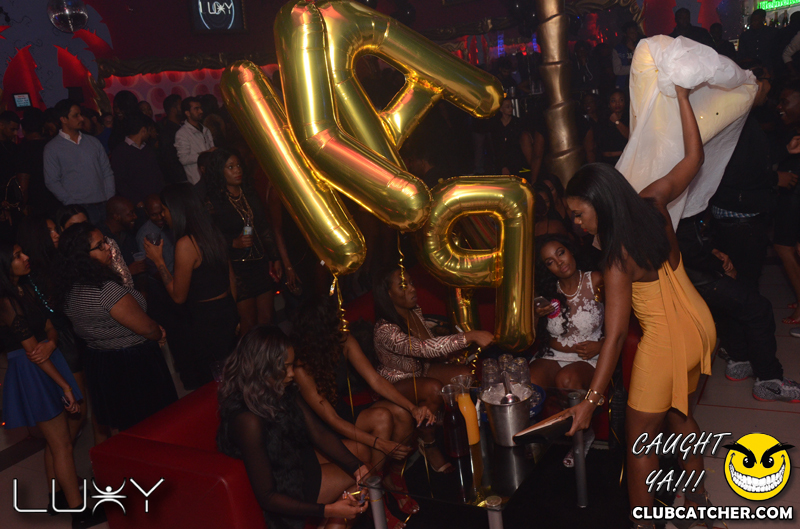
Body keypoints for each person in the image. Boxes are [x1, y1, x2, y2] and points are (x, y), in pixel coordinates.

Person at [563, 85, 716, 529]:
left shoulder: (616, 259)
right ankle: (697, 508)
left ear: (600, 203)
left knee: (639, 445)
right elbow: (694, 159)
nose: (577, 224)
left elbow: (614, 337)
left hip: (666, 344)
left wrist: (591, 401)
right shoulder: (653, 201)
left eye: (579, 214)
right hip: (699, 329)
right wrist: (683, 98)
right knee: (681, 418)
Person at [292, 297, 434, 520]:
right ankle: (378, 499)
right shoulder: (301, 367)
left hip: (343, 413)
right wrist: (381, 443)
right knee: (381, 424)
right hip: (322, 432)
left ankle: (389, 479)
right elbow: (331, 421)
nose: (344, 321)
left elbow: (375, 380)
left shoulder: (343, 340)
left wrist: (413, 407)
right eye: (337, 319)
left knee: (400, 415)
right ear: (322, 328)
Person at [217, 325, 371, 529]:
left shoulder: (279, 387)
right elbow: (267, 497)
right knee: (357, 485)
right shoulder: (247, 420)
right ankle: (333, 522)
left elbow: (318, 433)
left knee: (362, 460)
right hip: (284, 486)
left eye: (292, 365)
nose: (291, 373)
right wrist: (328, 510)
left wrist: (357, 467)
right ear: (263, 368)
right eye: (285, 367)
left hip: (295, 460)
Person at [0, 243, 104, 527]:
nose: (25, 257)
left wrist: (52, 343)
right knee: (62, 444)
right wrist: (65, 386)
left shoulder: (25, 289)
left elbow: (49, 326)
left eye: (23, 252)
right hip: (33, 371)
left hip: (48, 361)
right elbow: (32, 351)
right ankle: (79, 515)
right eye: (17, 256)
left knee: (57, 441)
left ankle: (57, 497)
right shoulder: (5, 302)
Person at [54, 222, 177, 436]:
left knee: (131, 431)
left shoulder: (69, 289)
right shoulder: (105, 289)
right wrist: (158, 332)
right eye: (100, 245)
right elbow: (147, 328)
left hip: (102, 362)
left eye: (106, 242)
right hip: (132, 365)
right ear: (82, 256)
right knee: (158, 426)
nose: (108, 247)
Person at [373, 267, 493, 472]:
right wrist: (470, 336)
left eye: (411, 283)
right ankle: (428, 442)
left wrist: (448, 356)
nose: (412, 289)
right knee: (434, 389)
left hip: (422, 371)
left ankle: (461, 429)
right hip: (396, 383)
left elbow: (429, 344)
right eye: (403, 286)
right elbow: (422, 348)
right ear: (388, 294)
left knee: (464, 376)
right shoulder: (385, 330)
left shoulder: (414, 311)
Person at [676, 214, 800, 402]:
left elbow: (688, 240)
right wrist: (720, 267)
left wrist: (712, 250)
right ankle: (769, 382)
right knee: (759, 309)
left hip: (690, 270)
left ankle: (739, 361)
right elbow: (686, 248)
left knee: (735, 304)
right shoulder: (666, 200)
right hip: (692, 276)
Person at [144, 183, 238, 390]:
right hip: (226, 309)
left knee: (218, 382)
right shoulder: (212, 232)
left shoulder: (186, 243)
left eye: (165, 210)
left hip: (206, 320)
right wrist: (234, 310)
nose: (163, 215)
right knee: (234, 373)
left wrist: (158, 261)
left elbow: (178, 297)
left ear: (177, 209)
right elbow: (231, 277)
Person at [531, 234, 603, 467]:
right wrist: (535, 316)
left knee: (567, 379)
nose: (559, 262)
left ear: (570, 250)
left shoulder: (596, 280)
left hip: (588, 357)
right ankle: (535, 442)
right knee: (529, 381)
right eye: (550, 261)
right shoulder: (546, 291)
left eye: (560, 253)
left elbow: (624, 321)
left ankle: (583, 435)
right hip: (553, 355)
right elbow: (532, 334)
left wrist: (602, 344)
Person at [205, 148, 281, 333]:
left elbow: (263, 227)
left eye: (238, 165)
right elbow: (209, 237)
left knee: (267, 320)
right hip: (237, 269)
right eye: (230, 167)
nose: (237, 170)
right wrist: (233, 242)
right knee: (248, 324)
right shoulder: (214, 202)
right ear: (220, 171)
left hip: (259, 263)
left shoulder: (249, 192)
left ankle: (269, 352)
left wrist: (275, 257)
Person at [44, 99, 115, 225]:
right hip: (79, 209)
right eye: (75, 115)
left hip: (103, 204)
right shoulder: (52, 148)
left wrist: (109, 198)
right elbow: (52, 181)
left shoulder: (93, 142)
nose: (81, 118)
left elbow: (107, 172)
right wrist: (71, 203)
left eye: (80, 114)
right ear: (63, 119)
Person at [110, 113, 165, 208]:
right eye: (149, 130)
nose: (150, 134)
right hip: (138, 205)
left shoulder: (147, 148)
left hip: (156, 200)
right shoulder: (120, 151)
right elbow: (120, 181)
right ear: (143, 130)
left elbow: (157, 174)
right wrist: (136, 201)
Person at [16, 108, 62, 216]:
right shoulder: (54, 145)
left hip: (36, 204)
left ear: (24, 131)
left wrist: (22, 206)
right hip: (58, 200)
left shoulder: (24, 150)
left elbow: (23, 185)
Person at [99, 197, 147, 277]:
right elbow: (99, 275)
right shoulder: (100, 237)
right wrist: (126, 271)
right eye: (130, 214)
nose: (135, 216)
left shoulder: (127, 233)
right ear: (116, 217)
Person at [175, 97, 215, 185]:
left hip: (212, 176)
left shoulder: (205, 129)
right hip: (197, 180)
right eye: (196, 109)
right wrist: (205, 154)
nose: (201, 111)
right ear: (187, 113)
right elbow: (183, 159)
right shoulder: (182, 133)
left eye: (200, 108)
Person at [489, 98, 526, 175]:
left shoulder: (517, 123)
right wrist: (503, 166)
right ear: (501, 109)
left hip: (516, 162)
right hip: (500, 162)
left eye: (511, 106)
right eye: (507, 107)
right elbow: (496, 147)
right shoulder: (496, 125)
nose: (511, 109)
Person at [157, 94, 187, 184]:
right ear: (173, 109)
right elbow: (170, 161)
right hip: (180, 181)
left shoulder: (181, 127)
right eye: (180, 105)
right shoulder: (167, 132)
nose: (183, 108)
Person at [596, 90, 629, 165]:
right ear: (609, 104)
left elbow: (630, 136)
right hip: (605, 161)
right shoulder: (602, 119)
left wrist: (617, 121)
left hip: (623, 159)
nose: (617, 103)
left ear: (625, 102)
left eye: (621, 100)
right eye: (613, 101)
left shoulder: (629, 118)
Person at [613, 21, 640, 90]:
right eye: (631, 33)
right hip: (623, 85)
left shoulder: (641, 46)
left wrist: (634, 49)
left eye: (635, 32)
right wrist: (635, 68)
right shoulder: (618, 49)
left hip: (639, 84)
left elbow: (644, 63)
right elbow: (617, 70)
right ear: (625, 34)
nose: (634, 35)